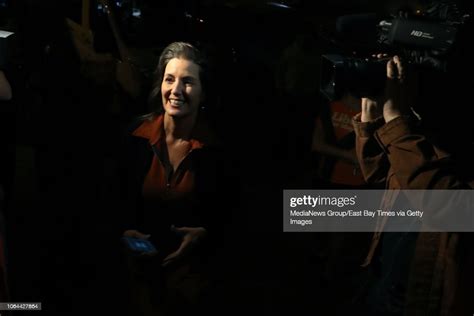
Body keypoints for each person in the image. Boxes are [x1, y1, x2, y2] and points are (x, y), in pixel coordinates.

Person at [352, 55, 474, 316]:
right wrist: (372, 115)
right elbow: (379, 174)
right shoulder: (430, 129)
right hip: (382, 274)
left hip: (420, 295)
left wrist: (395, 119)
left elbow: (452, 209)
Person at [119, 41, 232, 316]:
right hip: (135, 276)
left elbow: (232, 214)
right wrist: (122, 231)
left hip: (189, 282)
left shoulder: (216, 151)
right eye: (170, 79)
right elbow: (109, 195)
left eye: (188, 82)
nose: (176, 90)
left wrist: (207, 234)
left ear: (203, 94)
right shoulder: (135, 134)